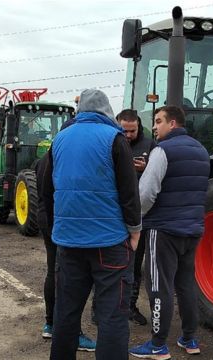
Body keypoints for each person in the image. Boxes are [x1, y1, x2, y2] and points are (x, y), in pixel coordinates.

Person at [43, 89, 141, 359]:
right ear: (107, 111)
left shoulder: (59, 139)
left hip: (68, 242)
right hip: (109, 242)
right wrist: (134, 231)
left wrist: (56, 231)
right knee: (112, 315)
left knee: (66, 313)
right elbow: (129, 191)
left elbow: (47, 189)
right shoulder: (115, 138)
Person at [129, 106, 210, 359]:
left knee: (158, 286)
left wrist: (135, 219)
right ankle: (189, 339)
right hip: (192, 229)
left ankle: (158, 345)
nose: (154, 127)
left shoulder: (162, 150)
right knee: (186, 284)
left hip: (163, 230)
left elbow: (146, 193)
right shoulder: (201, 151)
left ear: (172, 123)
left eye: (158, 121)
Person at [36, 151, 96, 352]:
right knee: (70, 278)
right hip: (62, 220)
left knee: (52, 271)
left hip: (46, 217)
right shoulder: (68, 157)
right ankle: (73, 333)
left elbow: (42, 191)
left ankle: (50, 324)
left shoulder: (44, 158)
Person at [116, 109, 157, 326]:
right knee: (111, 264)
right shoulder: (112, 142)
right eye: (125, 131)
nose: (129, 135)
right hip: (115, 214)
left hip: (140, 215)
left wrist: (146, 167)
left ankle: (130, 306)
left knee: (135, 262)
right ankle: (105, 308)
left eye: (133, 130)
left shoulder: (149, 145)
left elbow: (158, 173)